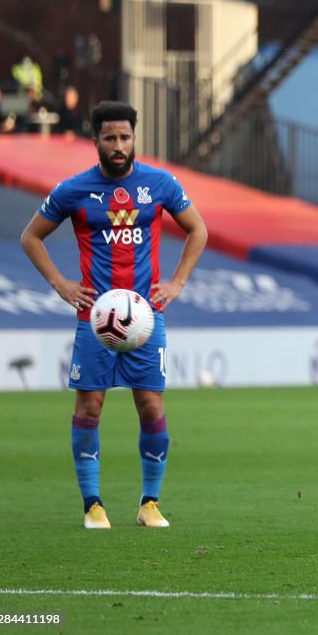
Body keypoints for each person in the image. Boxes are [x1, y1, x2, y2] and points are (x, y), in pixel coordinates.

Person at [20, 101, 208, 529]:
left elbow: (199, 229)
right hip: (95, 318)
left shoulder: (159, 184)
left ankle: (150, 503)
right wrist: (61, 284)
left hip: (146, 317)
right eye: (110, 138)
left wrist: (177, 282)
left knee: (151, 406)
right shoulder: (75, 189)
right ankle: (93, 506)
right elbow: (31, 237)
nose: (119, 145)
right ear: (96, 142)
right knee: (89, 408)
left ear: (135, 138)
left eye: (125, 137)